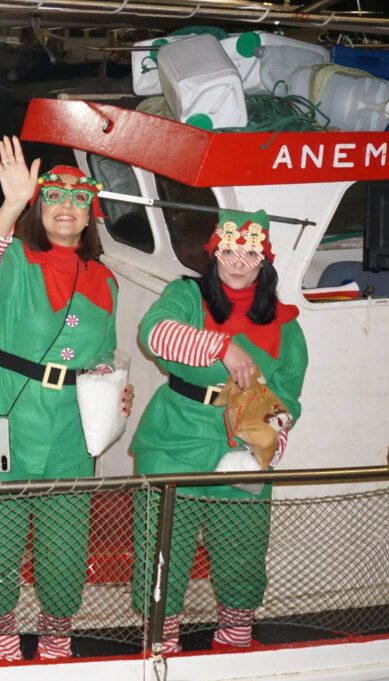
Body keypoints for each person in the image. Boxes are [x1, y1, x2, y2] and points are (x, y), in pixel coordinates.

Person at [0, 136, 132, 662]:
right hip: (4, 410)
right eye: (53, 196)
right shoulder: (14, 257)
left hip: (71, 419)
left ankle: (57, 629)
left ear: (90, 216)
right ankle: (0, 631)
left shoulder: (106, 280)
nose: (66, 206)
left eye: (79, 200)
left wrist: (113, 387)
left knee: (66, 532)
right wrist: (10, 205)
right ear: (39, 207)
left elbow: (102, 352)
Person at [129, 208, 307, 653]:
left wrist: (264, 445)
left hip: (244, 447)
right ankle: (161, 644)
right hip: (174, 436)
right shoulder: (186, 294)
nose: (238, 262)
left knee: (242, 546)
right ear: (214, 253)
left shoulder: (286, 323)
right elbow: (155, 334)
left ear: (265, 262)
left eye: (250, 254)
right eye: (228, 251)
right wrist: (221, 346)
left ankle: (235, 640)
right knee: (162, 548)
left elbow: (288, 397)